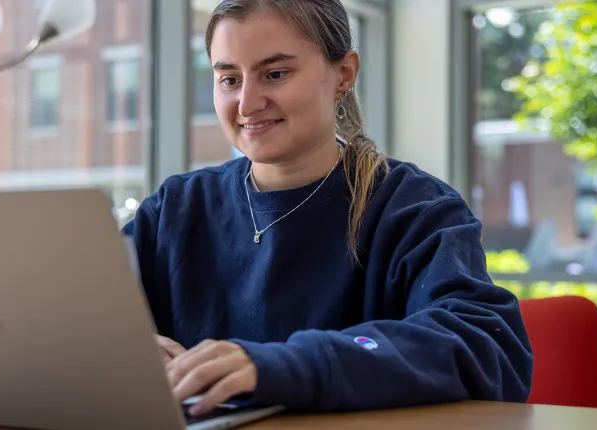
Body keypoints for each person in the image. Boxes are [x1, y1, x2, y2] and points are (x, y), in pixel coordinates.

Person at [122, 0, 534, 417]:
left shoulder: (415, 209)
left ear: (344, 75)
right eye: (229, 79)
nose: (246, 104)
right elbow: (75, 319)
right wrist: (122, 350)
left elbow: (486, 348)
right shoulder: (172, 211)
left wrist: (284, 366)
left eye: (275, 74)